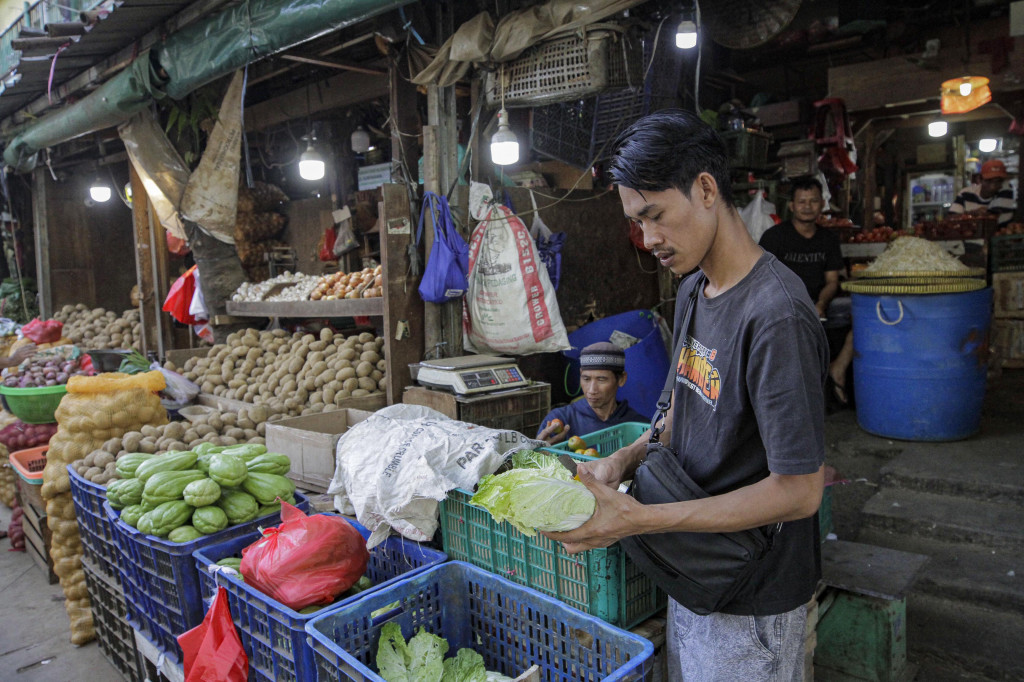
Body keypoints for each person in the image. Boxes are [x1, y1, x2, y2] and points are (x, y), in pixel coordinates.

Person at [546, 110, 826, 681]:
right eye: (637, 222)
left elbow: (799, 492)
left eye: (655, 216)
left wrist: (641, 519)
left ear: (705, 189)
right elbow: (678, 414)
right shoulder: (697, 287)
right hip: (700, 569)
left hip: (757, 598)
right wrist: (620, 461)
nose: (648, 240)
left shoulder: (777, 315)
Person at [758, 177, 845, 320]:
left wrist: (820, 305)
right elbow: (763, 280)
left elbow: (832, 281)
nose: (808, 207)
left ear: (822, 204)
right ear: (792, 206)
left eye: (814, 201)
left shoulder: (829, 239)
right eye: (802, 202)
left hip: (820, 305)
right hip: (782, 308)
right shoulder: (773, 237)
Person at [536, 342, 647, 445]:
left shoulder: (638, 425)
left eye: (601, 379)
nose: (592, 390)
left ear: (621, 379)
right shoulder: (561, 419)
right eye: (586, 379)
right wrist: (540, 453)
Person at [949, 159, 1015, 226]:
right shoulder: (965, 194)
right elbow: (951, 218)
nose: (993, 186)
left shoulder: (1006, 191)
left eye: (998, 181)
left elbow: (995, 221)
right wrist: (972, 213)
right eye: (989, 181)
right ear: (979, 179)